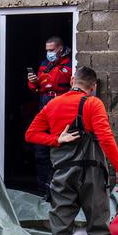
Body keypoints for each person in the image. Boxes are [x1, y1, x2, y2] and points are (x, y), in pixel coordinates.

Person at [25, 66, 118, 235]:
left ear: (72, 80)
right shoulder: (93, 104)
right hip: (92, 177)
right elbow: (106, 138)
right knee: (99, 231)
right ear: (93, 87)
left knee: (60, 231)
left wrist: (57, 140)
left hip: (62, 177)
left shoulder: (52, 104)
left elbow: (30, 134)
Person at [27, 37, 73, 197]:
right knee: (40, 152)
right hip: (44, 108)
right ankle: (42, 191)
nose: (49, 53)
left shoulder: (70, 63)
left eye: (51, 50)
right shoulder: (44, 64)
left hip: (62, 111)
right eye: (47, 50)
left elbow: (64, 82)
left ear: (60, 49)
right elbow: (38, 87)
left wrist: (46, 80)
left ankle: (59, 192)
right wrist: (33, 82)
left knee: (61, 153)